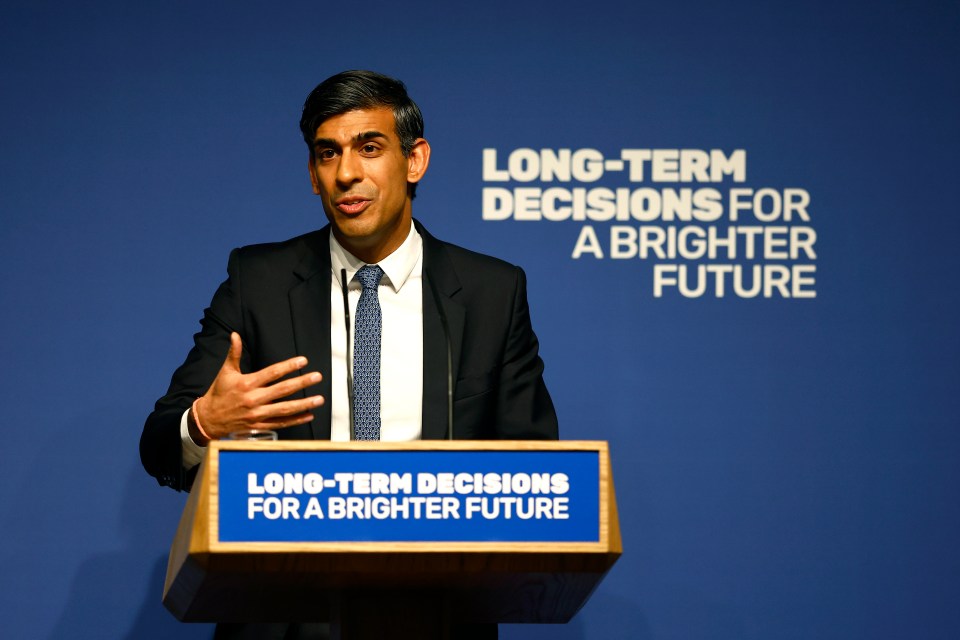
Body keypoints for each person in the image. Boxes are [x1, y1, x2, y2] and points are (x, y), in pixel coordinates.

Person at [141, 70, 558, 639]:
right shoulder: (257, 282)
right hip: (286, 617)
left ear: (415, 161)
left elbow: (533, 467)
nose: (347, 173)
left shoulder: (491, 292)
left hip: (437, 614)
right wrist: (205, 423)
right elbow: (160, 442)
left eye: (369, 147)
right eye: (327, 154)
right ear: (313, 175)